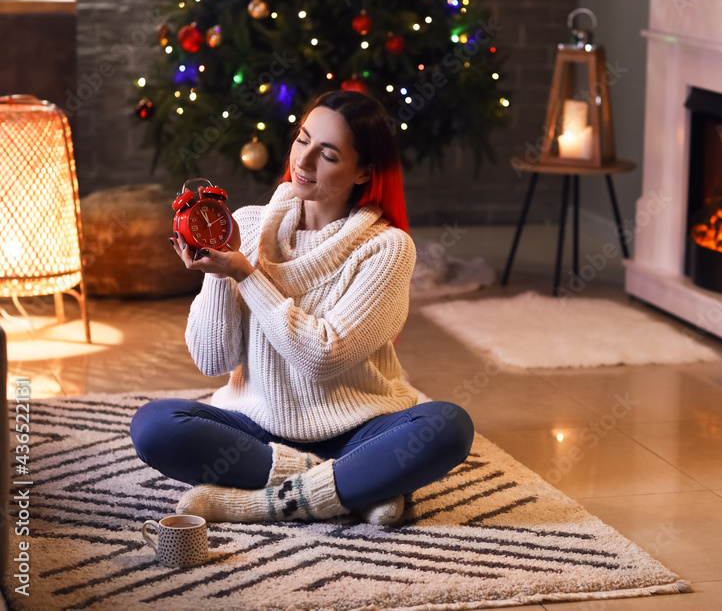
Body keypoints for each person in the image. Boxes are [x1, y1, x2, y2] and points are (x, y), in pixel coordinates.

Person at [129, 90, 474, 525]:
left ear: (364, 171)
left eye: (327, 154)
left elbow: (322, 357)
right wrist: (219, 271)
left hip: (357, 433)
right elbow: (212, 360)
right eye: (302, 140)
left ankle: (262, 503)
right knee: (154, 426)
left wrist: (247, 276)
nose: (304, 162)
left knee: (448, 426)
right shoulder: (248, 224)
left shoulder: (387, 248)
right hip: (257, 432)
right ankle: (355, 487)